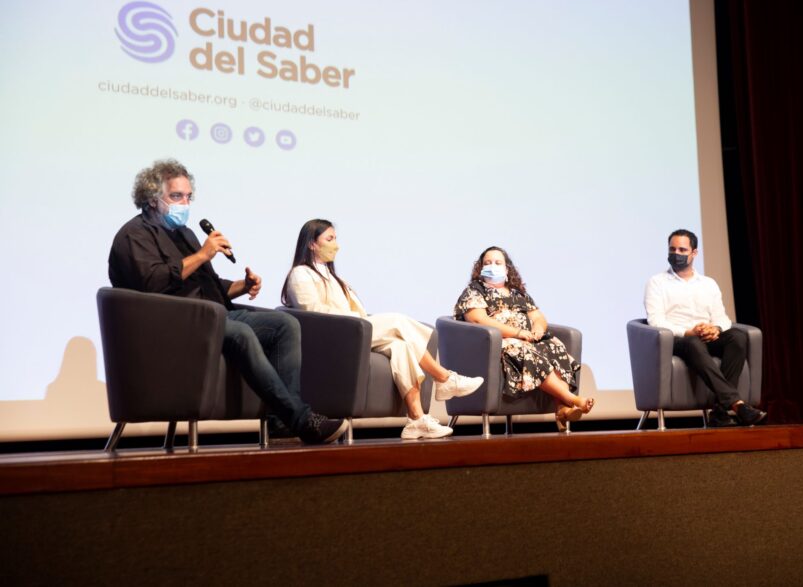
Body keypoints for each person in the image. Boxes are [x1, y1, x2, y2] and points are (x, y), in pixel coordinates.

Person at [108, 159, 348, 445]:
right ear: (151, 198)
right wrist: (204, 254)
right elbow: (154, 283)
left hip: (211, 315)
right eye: (176, 196)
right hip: (170, 324)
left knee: (285, 324)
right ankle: (300, 418)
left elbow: (207, 285)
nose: (184, 203)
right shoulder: (133, 236)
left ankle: (279, 422)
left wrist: (242, 286)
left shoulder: (183, 234)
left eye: (188, 197)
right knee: (241, 333)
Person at [282, 219, 483, 440]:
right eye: (329, 239)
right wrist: (356, 319)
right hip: (335, 335)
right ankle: (444, 378)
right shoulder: (300, 274)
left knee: (401, 346)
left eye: (336, 239)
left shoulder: (334, 276)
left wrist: (358, 319)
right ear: (311, 243)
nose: (336, 245)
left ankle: (417, 420)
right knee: (397, 321)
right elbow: (313, 312)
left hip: (352, 330)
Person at [453, 246, 594, 431]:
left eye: (497, 263)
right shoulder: (475, 291)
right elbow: (479, 319)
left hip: (527, 339)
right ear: (480, 268)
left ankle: (561, 410)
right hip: (498, 343)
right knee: (525, 351)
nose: (492, 266)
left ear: (507, 268)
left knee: (555, 346)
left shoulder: (518, 293)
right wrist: (517, 333)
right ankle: (571, 399)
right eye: (487, 263)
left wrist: (537, 329)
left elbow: (538, 317)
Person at [644, 229, 767, 427]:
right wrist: (688, 331)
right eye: (672, 249)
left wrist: (716, 328)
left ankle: (719, 411)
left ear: (694, 253)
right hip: (679, 339)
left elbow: (721, 317)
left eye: (682, 249)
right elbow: (656, 320)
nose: (676, 254)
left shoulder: (708, 284)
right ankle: (736, 404)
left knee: (737, 337)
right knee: (693, 342)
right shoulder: (657, 283)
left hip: (706, 337)